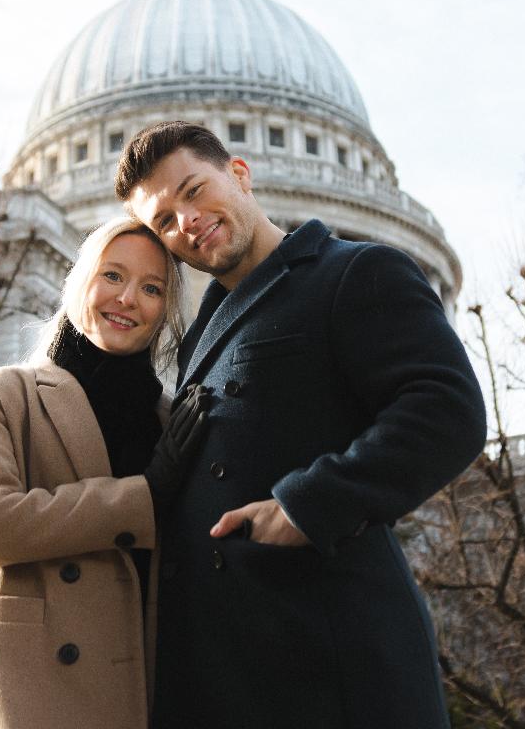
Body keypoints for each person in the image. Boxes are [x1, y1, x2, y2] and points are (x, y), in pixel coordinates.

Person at [115, 121, 487, 729]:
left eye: (192, 190)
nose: (186, 221)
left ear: (239, 173)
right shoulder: (197, 338)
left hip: (332, 660)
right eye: (163, 221)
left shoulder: (355, 272)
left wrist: (309, 504)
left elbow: (447, 408)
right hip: (226, 671)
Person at [0, 216, 209, 729]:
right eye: (112, 276)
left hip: (158, 691)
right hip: (46, 698)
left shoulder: (170, 422)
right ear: (79, 282)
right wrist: (144, 495)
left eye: (152, 287)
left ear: (164, 313)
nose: (128, 298)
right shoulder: (5, 394)